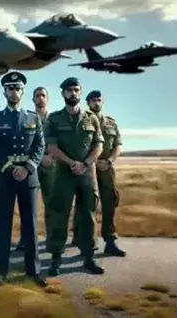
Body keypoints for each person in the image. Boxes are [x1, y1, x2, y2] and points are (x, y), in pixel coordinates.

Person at [0, 72, 48, 287]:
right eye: (10, 88)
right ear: (4, 91)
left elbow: (39, 146)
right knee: (3, 224)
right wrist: (10, 167)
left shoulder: (34, 118)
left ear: (23, 92)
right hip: (5, 177)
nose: (14, 92)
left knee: (30, 224)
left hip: (28, 177)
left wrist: (28, 167)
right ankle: (0, 272)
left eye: (18, 88)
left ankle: (34, 271)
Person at [44, 77, 105, 276]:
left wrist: (85, 164)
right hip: (63, 173)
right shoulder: (54, 118)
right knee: (59, 213)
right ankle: (56, 258)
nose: (73, 93)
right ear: (63, 93)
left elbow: (98, 145)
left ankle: (89, 256)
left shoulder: (92, 118)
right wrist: (72, 163)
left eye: (76, 90)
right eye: (69, 90)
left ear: (80, 93)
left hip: (87, 173)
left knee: (88, 214)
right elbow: (51, 147)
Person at [72, 90, 125, 257]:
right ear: (87, 103)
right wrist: (92, 162)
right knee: (86, 206)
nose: (96, 103)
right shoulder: (82, 119)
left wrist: (109, 161)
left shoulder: (111, 123)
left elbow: (118, 145)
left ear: (102, 102)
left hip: (107, 169)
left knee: (109, 204)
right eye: (93, 100)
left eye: (99, 100)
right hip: (89, 168)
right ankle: (83, 241)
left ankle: (110, 241)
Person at [32, 87, 56, 243]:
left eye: (43, 95)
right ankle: (26, 239)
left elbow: (61, 141)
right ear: (33, 99)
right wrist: (40, 159)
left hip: (51, 166)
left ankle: (51, 237)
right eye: (37, 96)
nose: (40, 98)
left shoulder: (54, 120)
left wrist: (52, 157)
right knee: (29, 205)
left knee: (52, 204)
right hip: (32, 167)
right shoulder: (28, 118)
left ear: (47, 98)